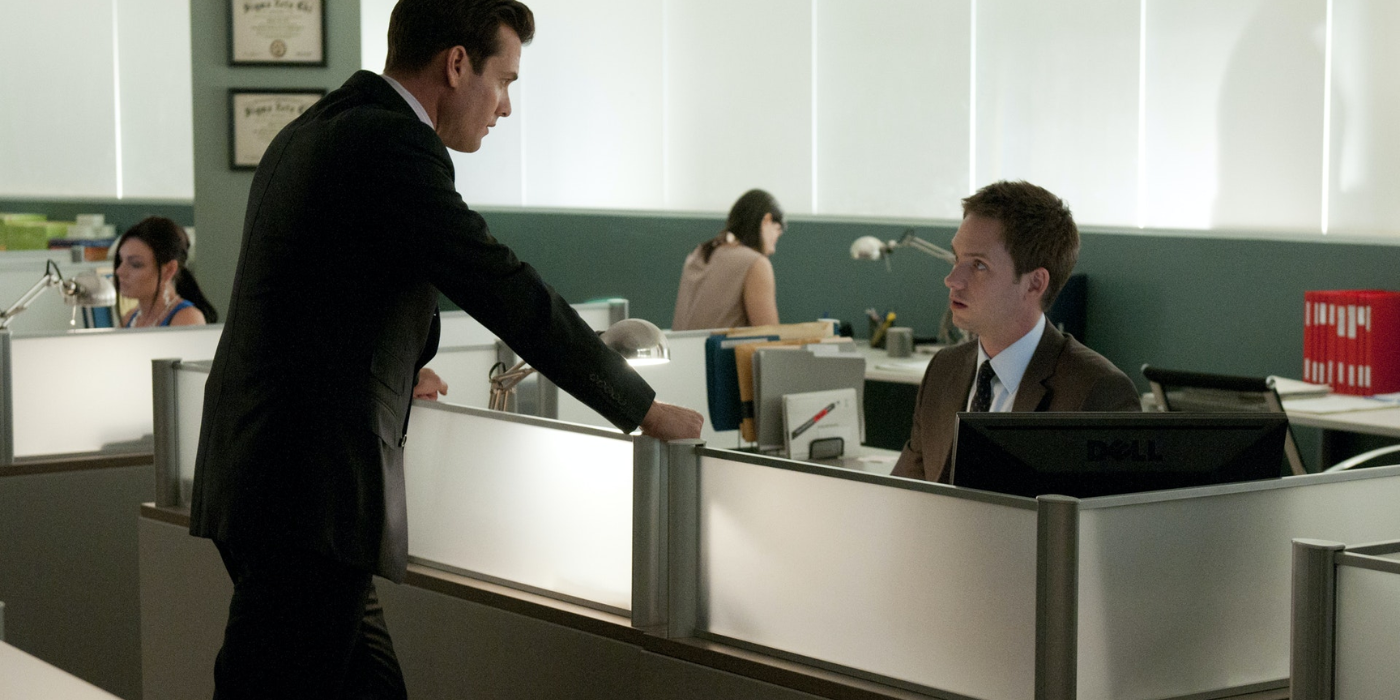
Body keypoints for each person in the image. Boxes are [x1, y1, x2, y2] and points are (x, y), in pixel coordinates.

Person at [187, 1, 703, 698]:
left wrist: (399, 366)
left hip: (266, 473)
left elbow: (313, 288)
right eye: (507, 79)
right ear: (456, 63)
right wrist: (637, 406)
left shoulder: (318, 127)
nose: (507, 107)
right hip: (312, 492)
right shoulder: (394, 142)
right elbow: (500, 285)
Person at [891, 180, 1139, 484]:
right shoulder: (944, 369)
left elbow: (1105, 527)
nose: (952, 278)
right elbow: (905, 498)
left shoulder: (1096, 392)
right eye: (958, 259)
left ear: (1034, 284)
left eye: (979, 265)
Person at [671, 188, 785, 330]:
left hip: (680, 351)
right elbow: (770, 336)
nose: (773, 249)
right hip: (721, 352)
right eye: (777, 231)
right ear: (766, 220)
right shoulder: (756, 263)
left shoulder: (698, 254)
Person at [113, 216, 217, 327]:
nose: (120, 271)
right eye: (121, 261)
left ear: (169, 270)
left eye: (135, 264)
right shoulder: (129, 318)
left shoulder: (187, 319)